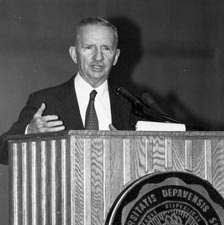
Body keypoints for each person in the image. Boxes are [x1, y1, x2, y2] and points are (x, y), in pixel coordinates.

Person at [0, 17, 138, 165]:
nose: (98, 57)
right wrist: (29, 133)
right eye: (89, 47)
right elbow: (2, 152)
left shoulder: (131, 107)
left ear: (115, 56)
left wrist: (129, 149)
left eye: (106, 48)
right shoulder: (46, 102)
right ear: (74, 54)